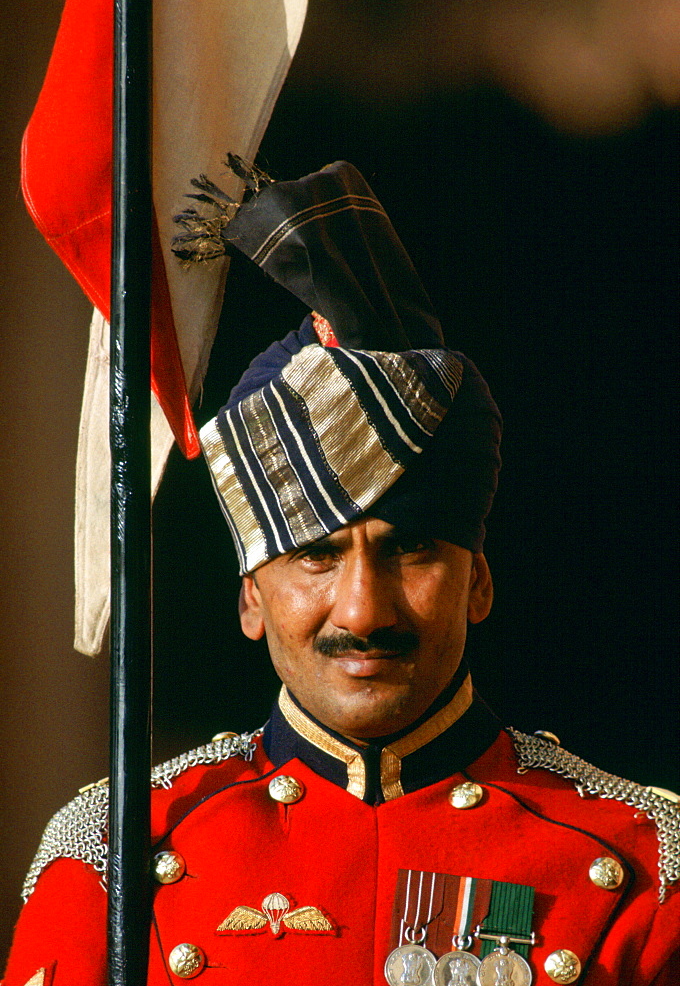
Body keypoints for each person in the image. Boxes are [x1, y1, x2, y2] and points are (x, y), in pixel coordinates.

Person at [2, 162, 678, 986]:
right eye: (316, 555)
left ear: (480, 583)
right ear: (250, 595)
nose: (363, 607)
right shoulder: (114, 858)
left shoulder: (643, 870)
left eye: (411, 549)